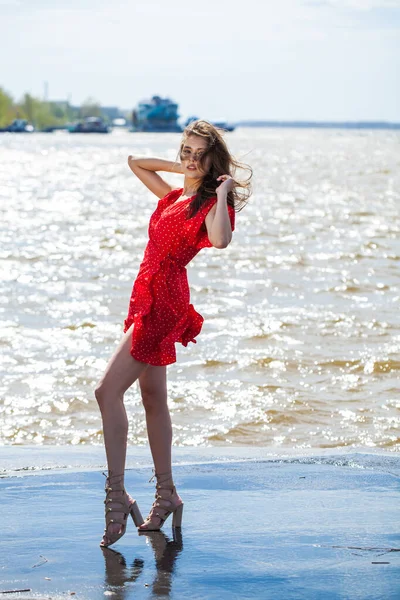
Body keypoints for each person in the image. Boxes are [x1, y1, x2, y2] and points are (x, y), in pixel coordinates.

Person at [95, 119, 252, 547]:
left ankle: (117, 496)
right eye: (186, 150)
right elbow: (135, 163)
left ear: (213, 159)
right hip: (144, 293)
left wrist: (218, 192)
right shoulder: (172, 196)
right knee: (153, 399)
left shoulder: (207, 205)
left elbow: (220, 241)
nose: (190, 158)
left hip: (165, 302)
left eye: (198, 153)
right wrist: (184, 167)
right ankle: (167, 496)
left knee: (106, 392)